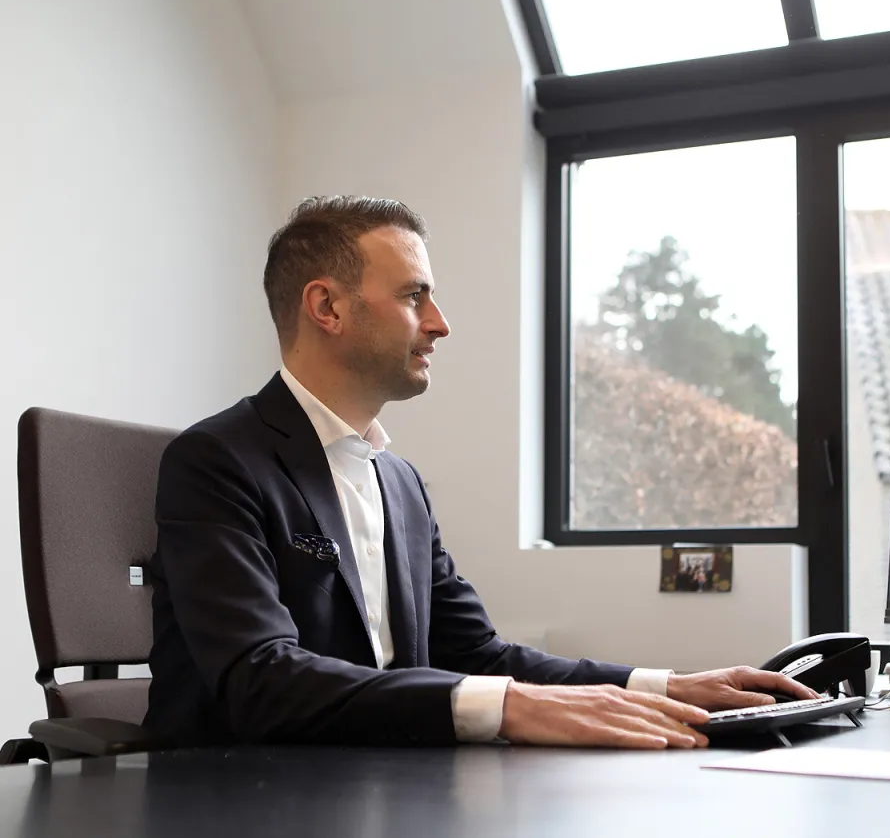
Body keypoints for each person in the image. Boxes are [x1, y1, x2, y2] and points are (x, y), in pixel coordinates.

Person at [144, 196, 815, 749]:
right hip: (234, 806)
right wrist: (509, 707)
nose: (440, 324)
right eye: (415, 296)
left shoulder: (399, 484)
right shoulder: (217, 462)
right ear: (329, 308)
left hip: (376, 788)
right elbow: (259, 680)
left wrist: (662, 685)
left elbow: (481, 657)